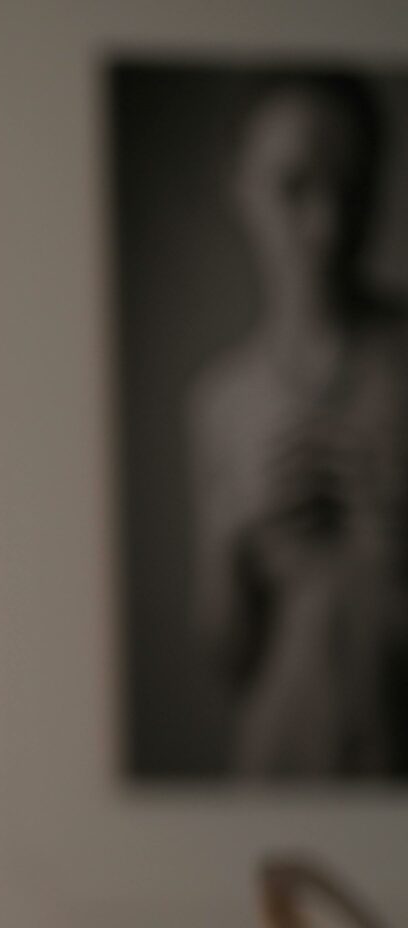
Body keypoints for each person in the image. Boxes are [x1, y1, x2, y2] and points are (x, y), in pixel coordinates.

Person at [186, 70, 408, 778]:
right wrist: (231, 535)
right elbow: (227, 659)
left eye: (351, 187)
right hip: (274, 774)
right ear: (240, 187)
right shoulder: (219, 400)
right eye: (293, 187)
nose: (327, 225)